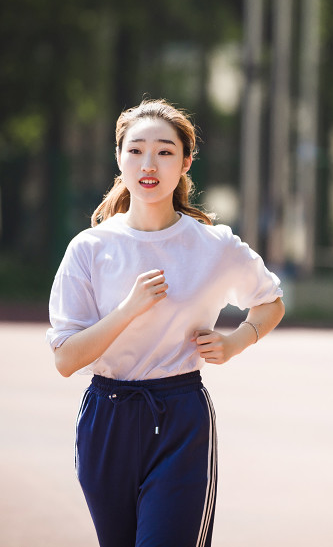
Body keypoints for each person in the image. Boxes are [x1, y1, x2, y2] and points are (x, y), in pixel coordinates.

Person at [45, 99, 285, 547]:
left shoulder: (214, 245)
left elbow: (271, 302)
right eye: (135, 151)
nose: (148, 164)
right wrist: (128, 310)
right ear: (119, 158)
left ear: (186, 161)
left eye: (165, 151)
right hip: (106, 418)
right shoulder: (90, 248)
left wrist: (236, 342)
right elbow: (65, 360)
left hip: (180, 418)